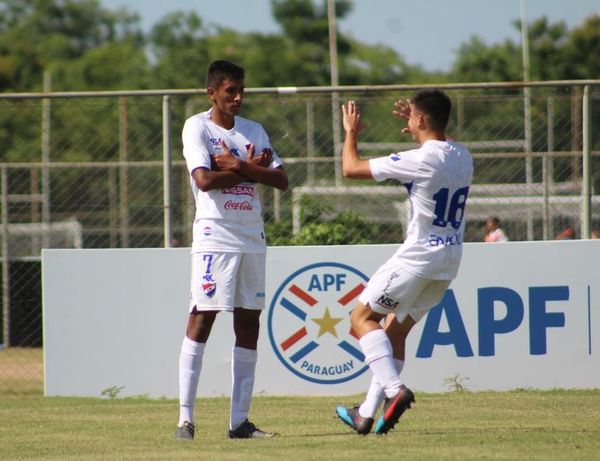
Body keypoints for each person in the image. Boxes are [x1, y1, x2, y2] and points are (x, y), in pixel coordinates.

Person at [335, 90, 473, 435]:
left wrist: (350, 131)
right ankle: (366, 414)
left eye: (413, 116)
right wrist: (419, 127)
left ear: (422, 120)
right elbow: (443, 144)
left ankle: (396, 391)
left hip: (419, 257)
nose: (409, 120)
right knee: (396, 331)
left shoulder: (421, 159)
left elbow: (350, 169)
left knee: (361, 317)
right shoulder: (463, 155)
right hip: (449, 260)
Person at [175, 59, 288, 440]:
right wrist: (250, 168)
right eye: (230, 92)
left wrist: (239, 165)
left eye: (241, 90)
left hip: (251, 237)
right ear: (212, 93)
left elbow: (282, 179)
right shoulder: (198, 127)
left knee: (248, 324)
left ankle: (239, 422)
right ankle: (185, 419)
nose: (238, 97)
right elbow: (204, 180)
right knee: (202, 318)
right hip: (215, 235)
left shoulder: (254, 129)